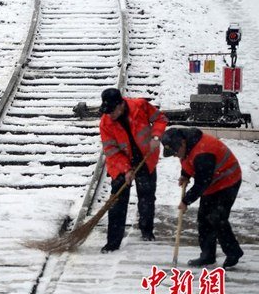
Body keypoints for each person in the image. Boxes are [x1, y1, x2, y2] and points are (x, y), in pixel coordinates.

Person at [161, 127, 244, 269]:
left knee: (217, 217)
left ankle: (233, 252)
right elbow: (188, 162)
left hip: (228, 180)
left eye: (175, 152)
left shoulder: (203, 152)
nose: (175, 156)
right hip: (212, 183)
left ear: (182, 143)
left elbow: (202, 182)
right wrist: (185, 175)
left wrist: (186, 201)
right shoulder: (187, 146)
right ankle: (207, 256)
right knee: (204, 219)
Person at [98, 88, 167, 253]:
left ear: (121, 105)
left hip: (146, 157)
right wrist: (126, 169)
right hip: (123, 162)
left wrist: (156, 137)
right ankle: (113, 242)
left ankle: (146, 230)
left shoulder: (140, 106)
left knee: (146, 195)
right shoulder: (106, 123)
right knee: (117, 201)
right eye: (106, 112)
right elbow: (112, 152)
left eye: (112, 111)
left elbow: (160, 119)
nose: (110, 115)